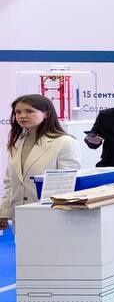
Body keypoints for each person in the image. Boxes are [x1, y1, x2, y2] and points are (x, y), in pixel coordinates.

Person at [1, 95, 80, 230]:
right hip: (19, 214)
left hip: (51, 215)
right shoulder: (16, 142)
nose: (22, 116)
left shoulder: (65, 142)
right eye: (18, 112)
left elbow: (66, 184)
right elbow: (10, 182)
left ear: (46, 114)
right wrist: (4, 211)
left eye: (29, 111)